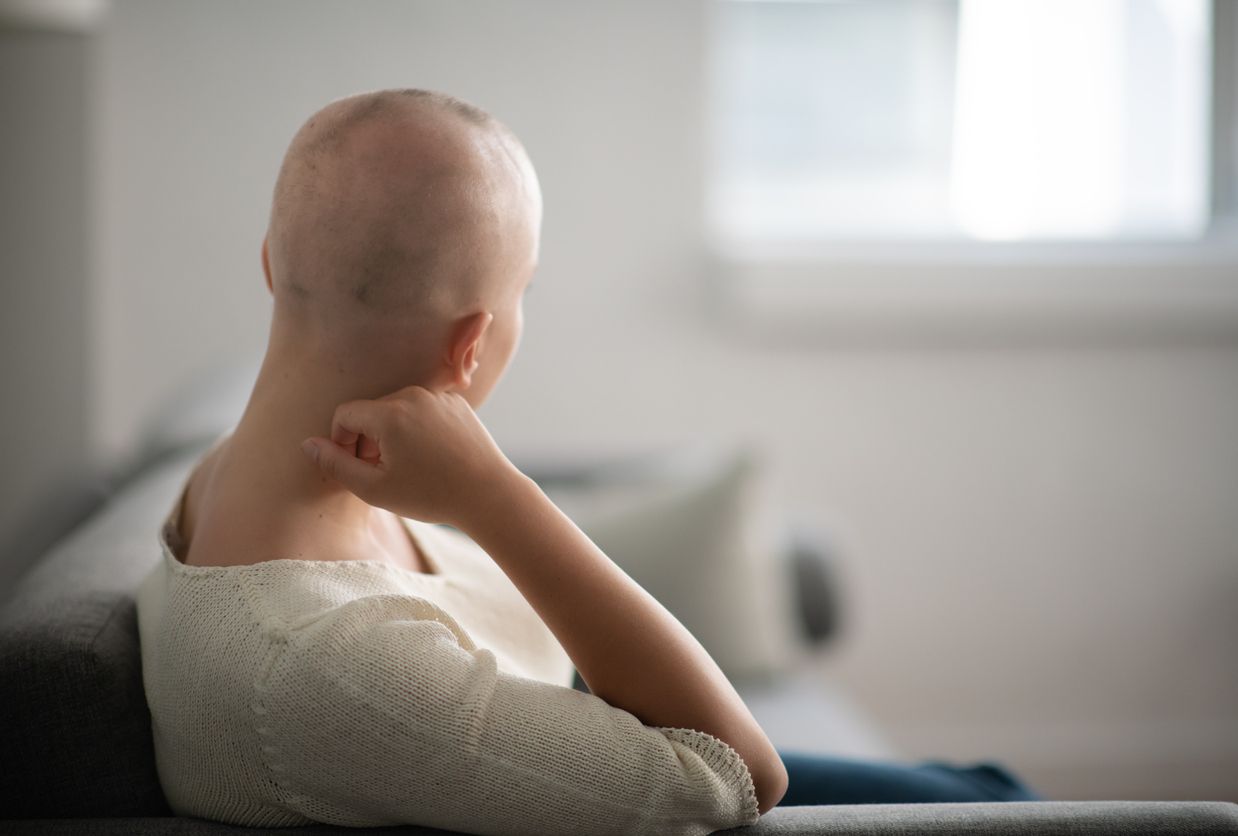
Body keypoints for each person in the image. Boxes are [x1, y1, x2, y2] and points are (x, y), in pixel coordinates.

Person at [134, 88, 1038, 836]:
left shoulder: (240, 471)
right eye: (523, 290)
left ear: (270, 263)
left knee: (981, 780)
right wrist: (494, 496)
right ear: (472, 344)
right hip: (653, 776)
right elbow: (737, 772)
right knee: (1011, 808)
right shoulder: (322, 663)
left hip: (589, 747)